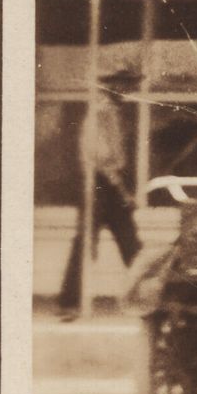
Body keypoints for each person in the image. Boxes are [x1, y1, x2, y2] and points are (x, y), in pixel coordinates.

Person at [56, 72, 141, 319]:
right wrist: (122, 190)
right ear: (113, 86)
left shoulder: (112, 111)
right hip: (99, 184)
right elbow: (101, 156)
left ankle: (147, 297)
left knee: (129, 243)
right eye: (125, 86)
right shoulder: (102, 112)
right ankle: (70, 302)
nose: (128, 91)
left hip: (108, 183)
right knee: (87, 243)